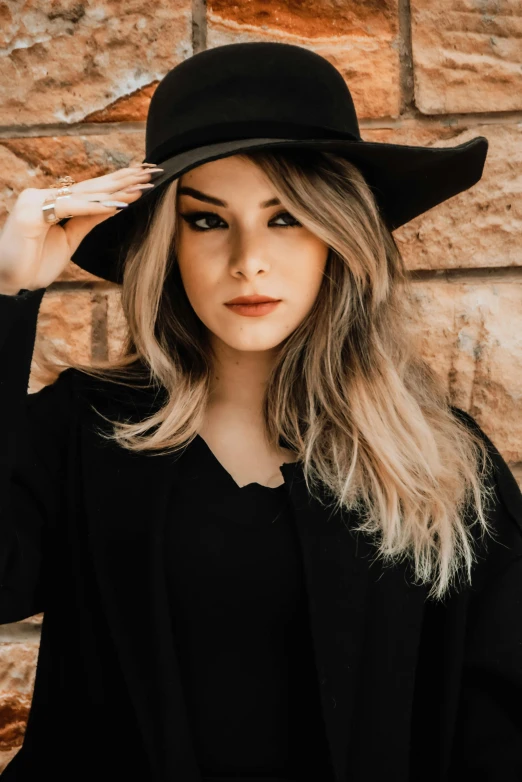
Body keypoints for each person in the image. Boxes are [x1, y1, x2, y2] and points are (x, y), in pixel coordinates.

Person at [0, 41, 521, 782]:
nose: (249, 260)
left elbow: (498, 725)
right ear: (166, 242)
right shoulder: (88, 432)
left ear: (338, 235)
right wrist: (8, 294)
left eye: (286, 219)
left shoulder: (441, 464)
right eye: (208, 220)